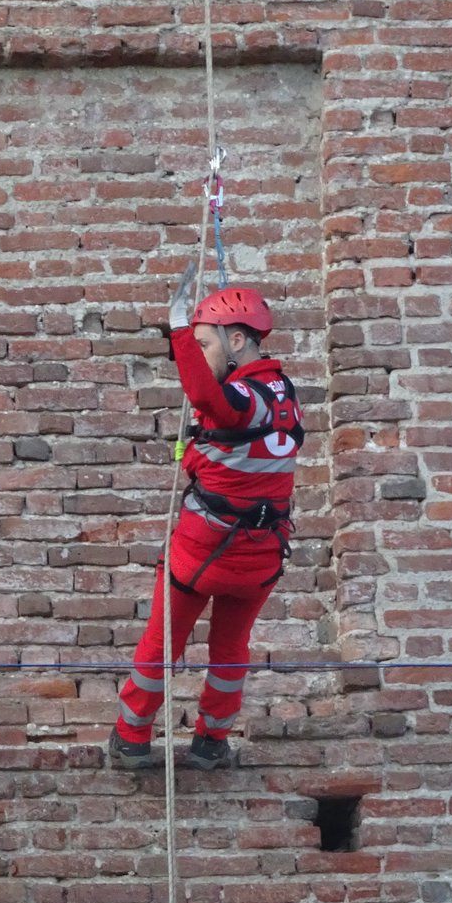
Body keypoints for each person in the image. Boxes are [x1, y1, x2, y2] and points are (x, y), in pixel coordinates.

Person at [109, 268, 303, 771]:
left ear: (237, 339)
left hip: (204, 552)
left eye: (203, 344)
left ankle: (131, 735)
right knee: (230, 651)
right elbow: (236, 452)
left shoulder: (239, 401)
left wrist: (177, 328)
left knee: (161, 641)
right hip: (261, 557)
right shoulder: (284, 395)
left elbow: (207, 400)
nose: (196, 354)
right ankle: (212, 739)